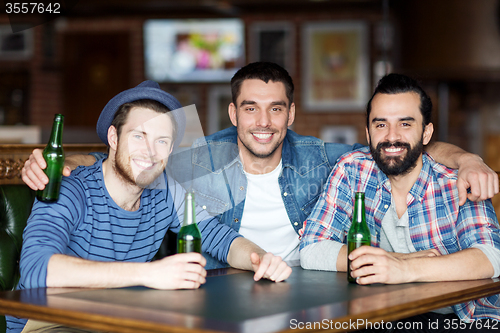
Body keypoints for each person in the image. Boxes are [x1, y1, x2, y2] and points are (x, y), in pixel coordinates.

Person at [22, 63, 499, 270]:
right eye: (250, 108)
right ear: (233, 114)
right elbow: (131, 156)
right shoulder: (197, 152)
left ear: (291, 115)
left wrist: (467, 158)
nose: (263, 122)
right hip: (217, 291)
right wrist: (68, 161)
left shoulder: (320, 154)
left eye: (276, 109)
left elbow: (393, 147)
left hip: (307, 285)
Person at [7, 80, 291, 333]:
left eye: (162, 141)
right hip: (50, 321)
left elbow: (220, 239)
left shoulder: (165, 189)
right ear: (114, 138)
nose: (150, 152)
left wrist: (260, 258)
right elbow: (36, 270)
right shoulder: (70, 187)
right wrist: (150, 274)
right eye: (138, 136)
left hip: (119, 319)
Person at [300, 74, 500, 330]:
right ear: (368, 133)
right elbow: (312, 247)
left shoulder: (456, 181)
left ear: (426, 132)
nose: (391, 137)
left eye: (405, 124)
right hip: (382, 314)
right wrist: (394, 260)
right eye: (380, 125)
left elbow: (490, 257)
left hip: (461, 318)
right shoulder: (352, 170)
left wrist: (405, 270)